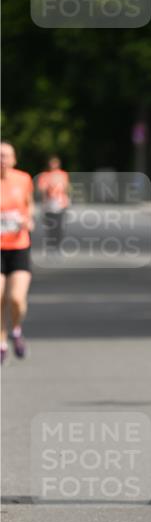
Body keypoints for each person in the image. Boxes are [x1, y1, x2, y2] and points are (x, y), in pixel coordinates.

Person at [1, 142, 34, 364]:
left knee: (16, 299)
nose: (2, 159)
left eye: (5, 156)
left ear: (14, 159)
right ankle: (1, 341)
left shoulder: (23, 179)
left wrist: (27, 219)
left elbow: (29, 205)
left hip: (19, 246)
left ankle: (16, 330)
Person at [37, 155, 70, 251]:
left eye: (55, 163)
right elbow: (42, 190)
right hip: (49, 204)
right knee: (50, 226)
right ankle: (51, 245)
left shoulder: (63, 174)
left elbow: (66, 188)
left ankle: (58, 246)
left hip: (61, 204)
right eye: (52, 163)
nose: (53, 165)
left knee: (59, 226)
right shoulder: (44, 175)